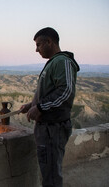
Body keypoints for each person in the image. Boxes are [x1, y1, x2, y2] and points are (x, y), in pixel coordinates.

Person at [20, 27, 80, 187]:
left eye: (39, 44)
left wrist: (39, 108)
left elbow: (65, 91)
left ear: (49, 42)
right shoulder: (53, 63)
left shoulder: (63, 61)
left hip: (53, 129)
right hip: (46, 129)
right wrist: (31, 105)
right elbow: (49, 92)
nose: (36, 49)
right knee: (47, 171)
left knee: (52, 175)